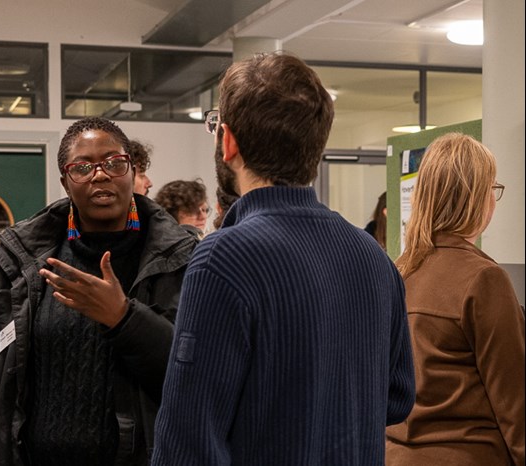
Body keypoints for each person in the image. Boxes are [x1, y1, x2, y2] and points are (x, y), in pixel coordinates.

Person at [152, 52, 415, 465]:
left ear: (229, 142)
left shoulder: (223, 258)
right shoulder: (373, 256)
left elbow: (187, 441)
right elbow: (397, 398)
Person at [0, 117, 198, 466]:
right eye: (83, 167)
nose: (100, 175)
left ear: (132, 172)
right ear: (65, 181)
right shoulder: (24, 259)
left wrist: (123, 319)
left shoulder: (178, 259)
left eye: (114, 163)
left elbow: (196, 374)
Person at [386, 133, 525, 466]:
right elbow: (514, 403)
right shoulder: (483, 279)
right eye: (493, 189)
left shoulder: (397, 272)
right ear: (476, 198)